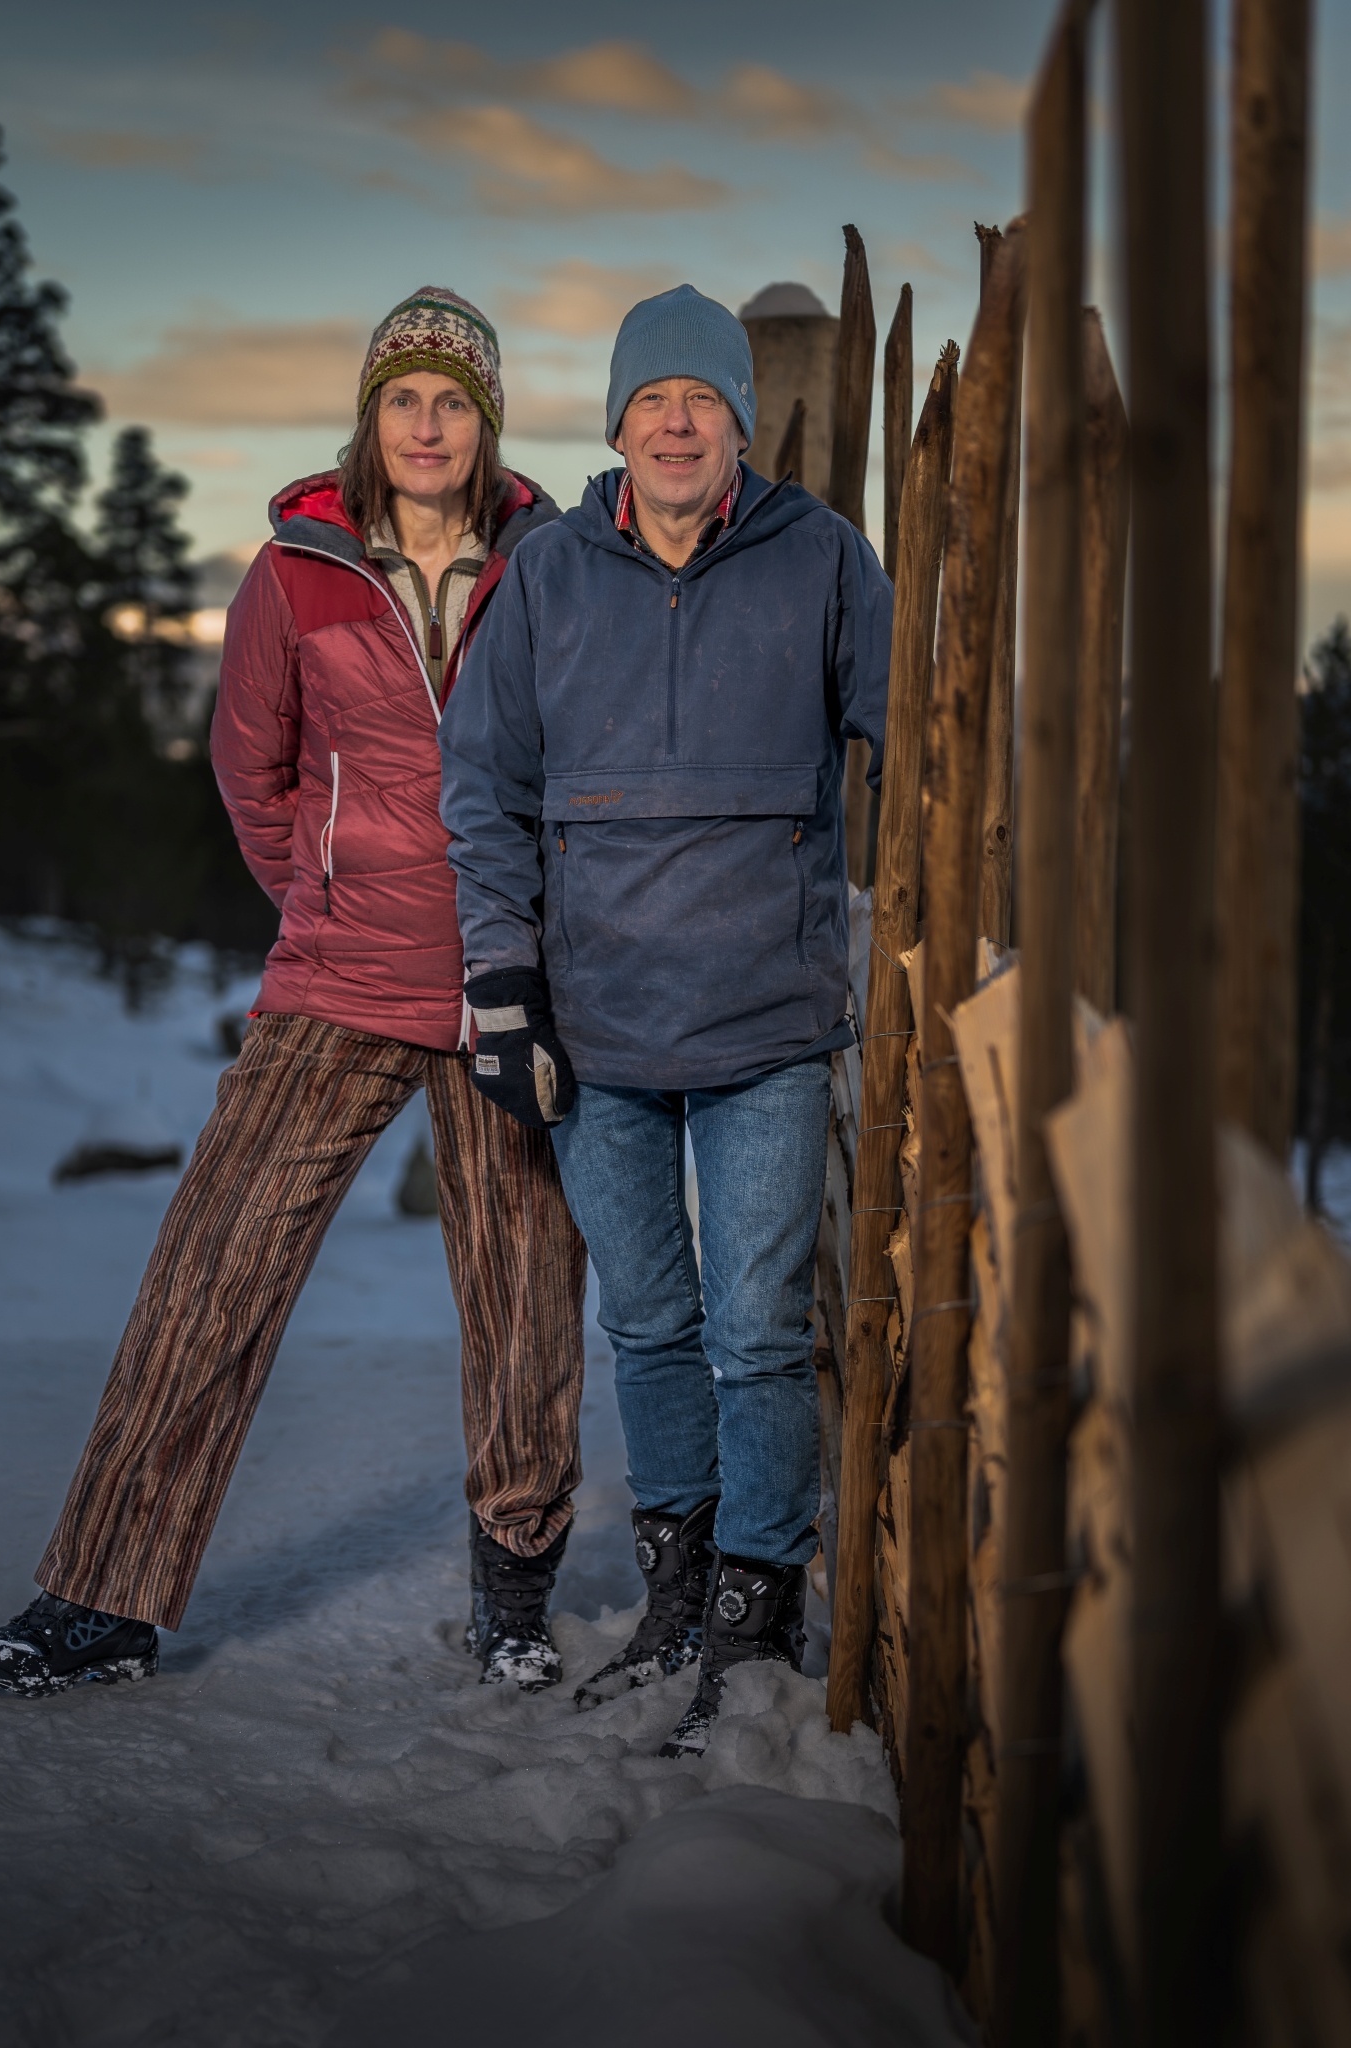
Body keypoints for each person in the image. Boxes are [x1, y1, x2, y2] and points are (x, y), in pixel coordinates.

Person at [0, 287, 588, 1700]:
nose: (428, 425)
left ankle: (515, 1582)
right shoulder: (295, 573)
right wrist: (321, 895)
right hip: (339, 977)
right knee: (215, 1263)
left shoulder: (549, 571)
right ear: (372, 417)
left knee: (528, 1288)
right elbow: (250, 774)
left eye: (455, 401)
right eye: (405, 398)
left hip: (507, 979)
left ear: (487, 423)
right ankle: (105, 1591)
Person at [438, 284, 892, 1756]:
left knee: (759, 1330)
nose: (677, 423)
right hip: (600, 1029)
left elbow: (920, 734)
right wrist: (503, 983)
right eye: (652, 402)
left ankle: (759, 1610)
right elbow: (483, 791)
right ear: (617, 423)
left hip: (766, 1015)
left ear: (740, 423)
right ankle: (677, 1588)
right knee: (647, 1325)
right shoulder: (552, 576)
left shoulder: (823, 558)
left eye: (703, 400)